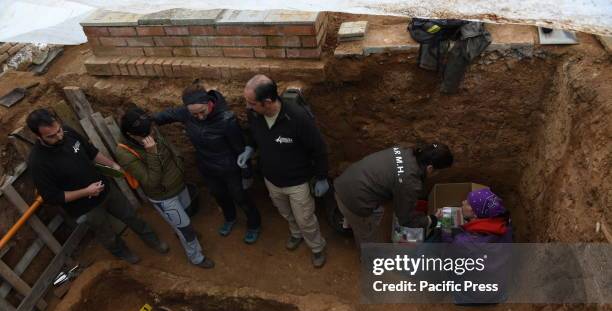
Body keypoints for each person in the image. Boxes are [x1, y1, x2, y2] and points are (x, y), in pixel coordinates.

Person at [26, 109, 168, 264]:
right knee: (106, 234)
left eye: (58, 130)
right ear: (38, 136)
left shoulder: (68, 132)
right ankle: (124, 253)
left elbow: (92, 152)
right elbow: (52, 196)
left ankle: (153, 240)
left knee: (131, 216)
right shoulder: (37, 162)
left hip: (106, 190)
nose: (59, 136)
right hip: (85, 208)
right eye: (51, 136)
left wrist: (113, 165)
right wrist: (86, 192)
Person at [153, 82, 261, 244]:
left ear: (209, 103)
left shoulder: (227, 119)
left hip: (230, 168)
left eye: (202, 112)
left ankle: (254, 224)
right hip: (207, 167)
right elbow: (168, 115)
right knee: (219, 195)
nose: (200, 117)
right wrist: (146, 120)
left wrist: (246, 173)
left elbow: (240, 149)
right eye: (194, 115)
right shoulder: (187, 113)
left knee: (241, 197)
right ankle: (230, 218)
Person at [240, 75, 329, 268]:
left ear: (267, 102)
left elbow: (319, 148)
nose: (248, 106)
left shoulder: (297, 118)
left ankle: (316, 247)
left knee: (305, 219)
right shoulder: (255, 114)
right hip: (271, 179)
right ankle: (296, 235)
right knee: (286, 214)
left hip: (297, 182)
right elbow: (252, 134)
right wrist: (249, 148)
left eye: (252, 103)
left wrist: (321, 177)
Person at [118, 107, 214, 269]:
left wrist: (179, 161)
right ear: (132, 135)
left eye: (152, 129)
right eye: (147, 134)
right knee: (186, 228)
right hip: (164, 197)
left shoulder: (150, 129)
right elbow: (150, 182)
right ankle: (196, 257)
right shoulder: (125, 154)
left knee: (187, 216)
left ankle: (182, 233)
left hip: (179, 185)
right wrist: (152, 153)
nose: (152, 135)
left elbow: (169, 147)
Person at [334, 143, 453, 249]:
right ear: (430, 168)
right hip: (354, 201)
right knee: (368, 236)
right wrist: (430, 220)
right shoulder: (410, 182)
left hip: (348, 180)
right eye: (438, 171)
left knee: (378, 212)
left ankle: (351, 223)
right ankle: (369, 259)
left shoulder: (406, 148)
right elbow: (406, 219)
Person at [438, 187, 513, 244]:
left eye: (468, 203)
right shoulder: (506, 227)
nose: (463, 202)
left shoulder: (466, 242)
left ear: (475, 215)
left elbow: (448, 248)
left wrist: (444, 223)